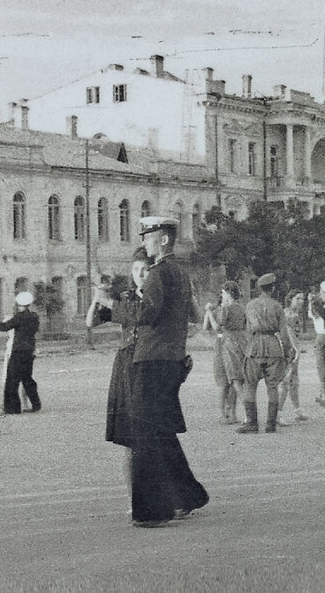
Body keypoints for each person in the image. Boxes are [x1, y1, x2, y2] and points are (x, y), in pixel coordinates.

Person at [118, 216, 208, 526]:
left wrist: (111, 308)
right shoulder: (181, 274)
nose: (144, 242)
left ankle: (153, 512)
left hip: (152, 361)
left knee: (144, 435)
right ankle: (188, 496)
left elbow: (147, 313)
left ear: (164, 240)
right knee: (161, 431)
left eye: (148, 236)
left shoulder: (157, 274)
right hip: (171, 361)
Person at [90, 248, 151, 508]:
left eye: (145, 270)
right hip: (126, 367)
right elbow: (91, 322)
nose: (140, 275)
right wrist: (96, 298)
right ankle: (134, 499)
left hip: (148, 366)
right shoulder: (125, 298)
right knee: (130, 439)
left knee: (151, 438)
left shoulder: (154, 299)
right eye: (136, 270)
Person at [238, 273, 292, 434]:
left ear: (259, 288)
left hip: (254, 346)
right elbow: (284, 333)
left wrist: (247, 349)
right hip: (273, 346)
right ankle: (270, 424)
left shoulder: (250, 306)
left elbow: (246, 330)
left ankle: (252, 423)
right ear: (273, 288)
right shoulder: (277, 307)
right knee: (273, 386)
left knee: (249, 385)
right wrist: (288, 352)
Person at [0, 290, 41, 415]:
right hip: (29, 350)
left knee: (12, 380)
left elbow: (4, 327)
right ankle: (36, 404)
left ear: (19, 304)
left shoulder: (19, 317)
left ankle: (12, 408)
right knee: (27, 378)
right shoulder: (34, 317)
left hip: (18, 350)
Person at [212, 281, 247, 425]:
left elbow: (217, 326)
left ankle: (224, 414)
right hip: (240, 343)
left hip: (227, 344)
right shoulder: (241, 307)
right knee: (236, 379)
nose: (222, 295)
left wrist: (209, 312)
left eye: (223, 293)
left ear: (229, 293)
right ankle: (232, 413)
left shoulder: (226, 308)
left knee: (225, 380)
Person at [276, 292, 308, 425]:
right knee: (286, 381)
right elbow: (288, 333)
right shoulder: (289, 315)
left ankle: (297, 411)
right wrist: (296, 349)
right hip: (288, 352)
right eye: (298, 298)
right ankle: (277, 414)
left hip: (291, 351)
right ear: (290, 299)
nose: (301, 301)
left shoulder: (293, 314)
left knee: (293, 382)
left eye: (302, 299)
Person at [307, 286, 325, 404]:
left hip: (320, 337)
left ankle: (323, 393)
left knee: (321, 366)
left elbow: (311, 311)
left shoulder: (314, 314)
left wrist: (310, 301)